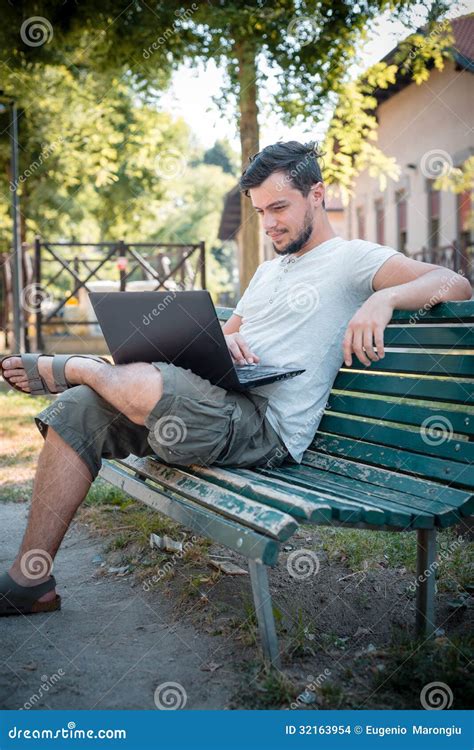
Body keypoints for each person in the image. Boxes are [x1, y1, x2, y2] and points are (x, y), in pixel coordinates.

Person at [0, 140, 471, 616]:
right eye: (261, 211)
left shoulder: (353, 259)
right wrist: (223, 342)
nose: (269, 224)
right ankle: (29, 581)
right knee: (78, 410)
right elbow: (226, 337)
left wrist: (382, 300)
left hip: (263, 428)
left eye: (279, 207)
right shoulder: (267, 272)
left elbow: (455, 282)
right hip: (216, 401)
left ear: (317, 194)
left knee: (136, 382)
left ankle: (83, 367)